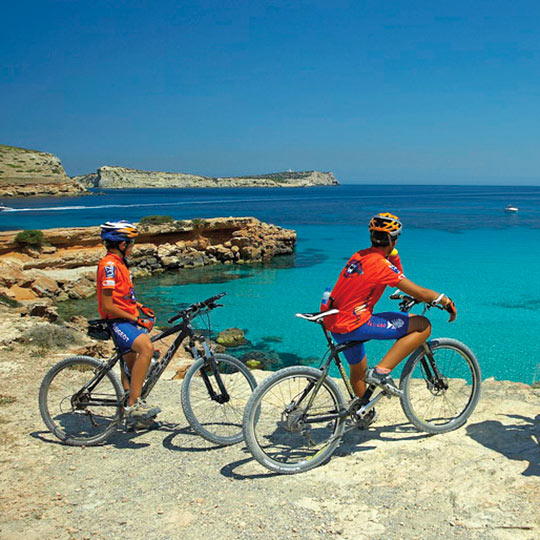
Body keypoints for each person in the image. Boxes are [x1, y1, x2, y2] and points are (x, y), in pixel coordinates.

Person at [322, 212, 457, 425]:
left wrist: (392, 254)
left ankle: (362, 413)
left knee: (358, 370)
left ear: (372, 237)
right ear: (394, 239)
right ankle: (382, 372)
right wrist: (445, 301)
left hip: (336, 322)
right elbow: (420, 293)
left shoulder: (360, 255)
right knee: (423, 325)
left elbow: (394, 277)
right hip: (356, 322)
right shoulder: (380, 264)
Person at [97, 220, 161, 423]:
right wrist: (135, 319)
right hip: (117, 321)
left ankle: (134, 412)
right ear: (122, 245)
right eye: (131, 244)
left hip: (126, 318)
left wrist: (140, 307)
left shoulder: (120, 264)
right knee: (146, 349)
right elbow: (108, 305)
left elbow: (122, 297)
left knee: (135, 369)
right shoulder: (109, 266)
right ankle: (134, 405)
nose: (133, 248)